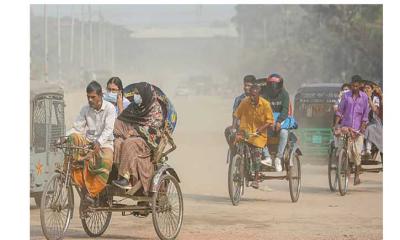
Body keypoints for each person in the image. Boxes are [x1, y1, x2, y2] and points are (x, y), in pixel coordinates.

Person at [65, 81, 116, 203]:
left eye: (93, 97)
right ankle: (72, 177)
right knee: (73, 138)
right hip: (89, 142)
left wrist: (99, 143)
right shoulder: (85, 109)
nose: (90, 99)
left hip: (105, 143)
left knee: (107, 161)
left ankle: (92, 193)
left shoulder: (110, 108)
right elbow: (77, 128)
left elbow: (109, 129)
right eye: (88, 97)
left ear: (100, 96)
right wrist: (64, 137)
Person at [111, 82, 164, 195]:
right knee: (117, 143)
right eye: (135, 93)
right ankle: (116, 175)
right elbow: (122, 121)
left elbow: (154, 129)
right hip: (130, 137)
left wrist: (135, 132)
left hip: (146, 142)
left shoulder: (155, 109)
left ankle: (126, 178)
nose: (136, 96)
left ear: (145, 95)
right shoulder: (133, 107)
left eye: (138, 93)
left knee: (129, 143)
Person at [233, 84, 274, 189]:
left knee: (256, 155)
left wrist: (260, 130)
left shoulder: (265, 104)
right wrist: (234, 128)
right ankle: (237, 163)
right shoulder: (245, 102)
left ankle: (256, 178)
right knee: (235, 143)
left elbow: (270, 121)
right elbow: (236, 115)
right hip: (245, 132)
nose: (251, 97)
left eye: (253, 95)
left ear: (258, 95)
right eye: (250, 95)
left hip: (258, 135)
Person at [334, 79, 369, 185]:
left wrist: (361, 129)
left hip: (358, 129)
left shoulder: (364, 97)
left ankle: (357, 177)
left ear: (359, 87)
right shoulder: (346, 96)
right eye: (353, 86)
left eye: (356, 86)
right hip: (346, 127)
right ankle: (341, 168)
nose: (354, 88)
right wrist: (336, 125)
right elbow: (340, 111)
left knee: (357, 153)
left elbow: (365, 115)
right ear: (351, 86)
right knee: (341, 150)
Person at [260, 73, 290, 171]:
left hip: (280, 122)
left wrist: (279, 122)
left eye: (276, 85)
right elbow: (263, 110)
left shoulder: (285, 95)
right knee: (258, 134)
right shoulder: (264, 95)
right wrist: (269, 122)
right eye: (271, 85)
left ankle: (278, 157)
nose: (274, 88)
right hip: (268, 123)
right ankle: (267, 157)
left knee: (284, 133)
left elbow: (285, 110)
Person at [224, 75, 256, 147]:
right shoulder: (239, 99)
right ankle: (233, 151)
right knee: (228, 131)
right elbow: (235, 114)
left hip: (255, 128)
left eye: (249, 85)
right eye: (245, 85)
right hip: (240, 127)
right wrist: (233, 128)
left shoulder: (259, 99)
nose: (246, 87)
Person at [363, 81, 383, 157]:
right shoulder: (360, 98)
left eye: (368, 88)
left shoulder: (375, 98)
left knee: (369, 128)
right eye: (365, 88)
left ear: (372, 90)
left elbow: (375, 110)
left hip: (375, 122)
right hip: (363, 121)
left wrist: (368, 98)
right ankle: (361, 151)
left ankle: (368, 151)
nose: (366, 89)